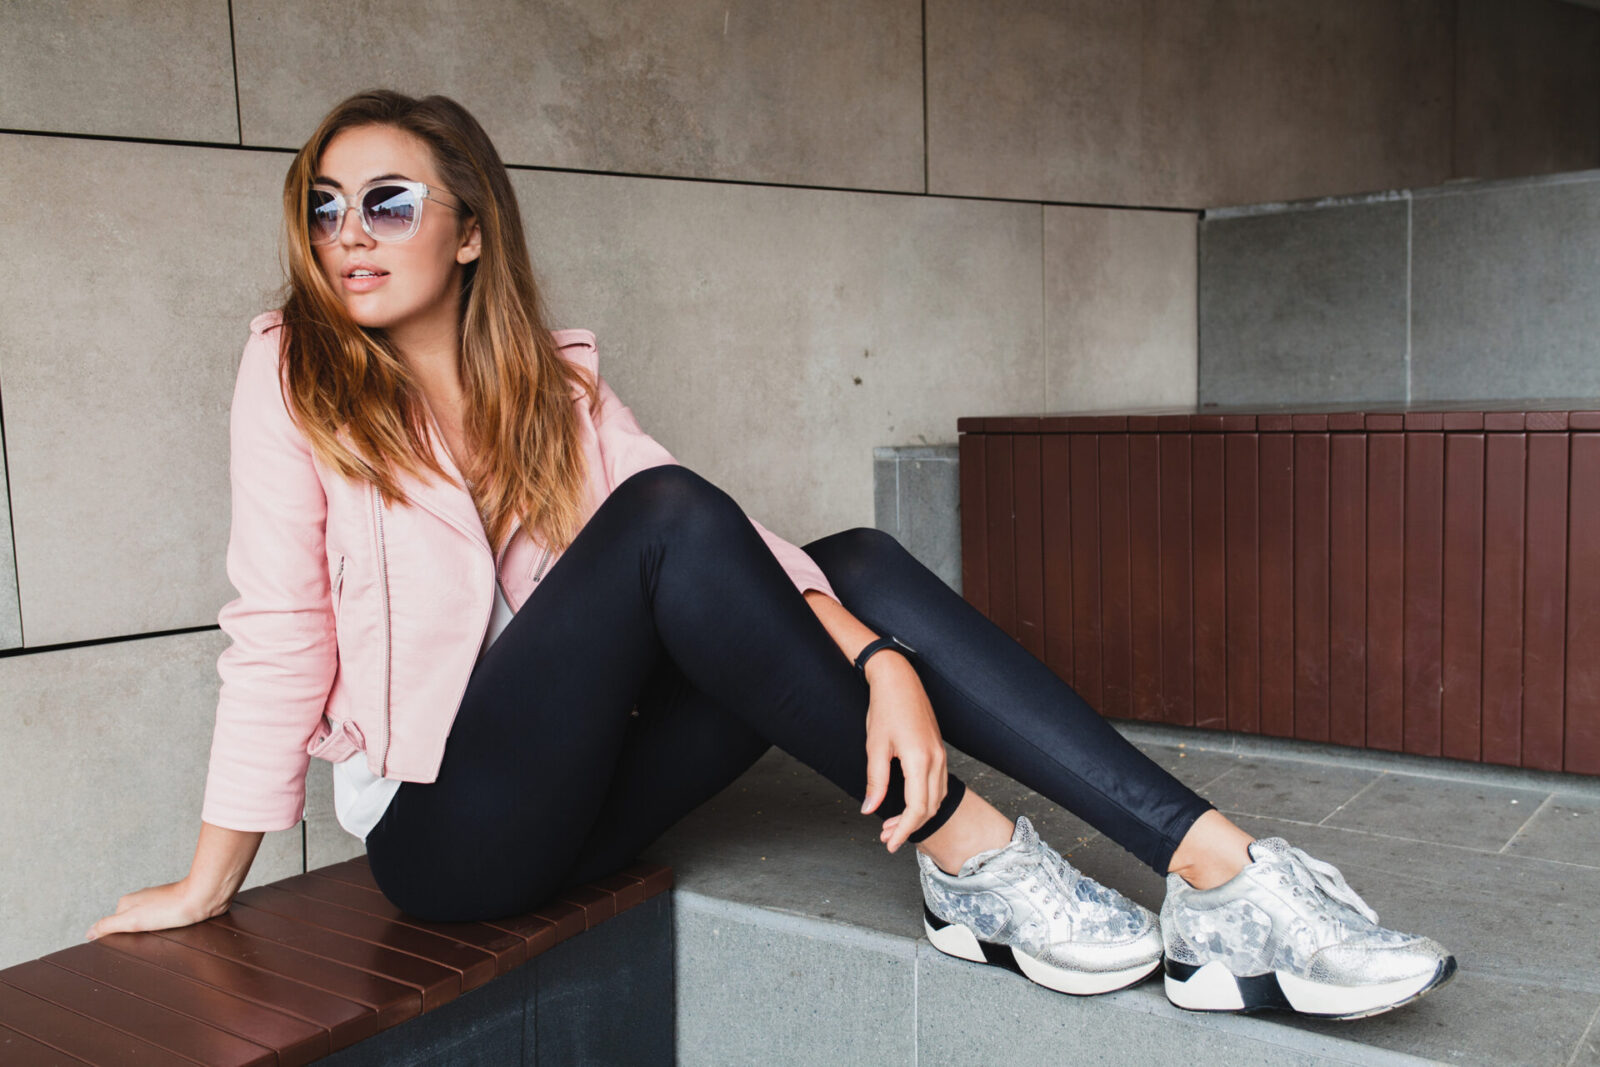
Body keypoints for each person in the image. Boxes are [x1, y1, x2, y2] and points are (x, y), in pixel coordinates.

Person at [87, 89, 1454, 1020]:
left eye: (387, 203)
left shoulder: (548, 394)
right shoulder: (294, 379)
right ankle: (971, 852)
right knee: (671, 514)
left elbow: (747, 549)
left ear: (470, 227)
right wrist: (218, 881)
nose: (348, 237)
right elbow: (275, 628)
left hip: (593, 792)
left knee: (841, 553)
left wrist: (874, 652)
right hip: (452, 836)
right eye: (326, 207)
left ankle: (1219, 871)